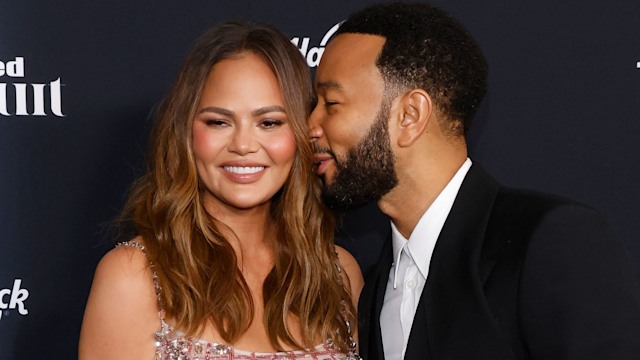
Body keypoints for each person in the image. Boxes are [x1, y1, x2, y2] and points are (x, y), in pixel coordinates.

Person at [308, 2, 640, 360]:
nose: (310, 126)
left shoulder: (550, 244)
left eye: (331, 103)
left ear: (410, 115)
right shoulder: (375, 287)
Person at [79, 21, 363, 360]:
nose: (243, 145)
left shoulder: (337, 273)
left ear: (303, 133)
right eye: (219, 122)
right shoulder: (133, 276)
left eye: (269, 123)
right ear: (186, 133)